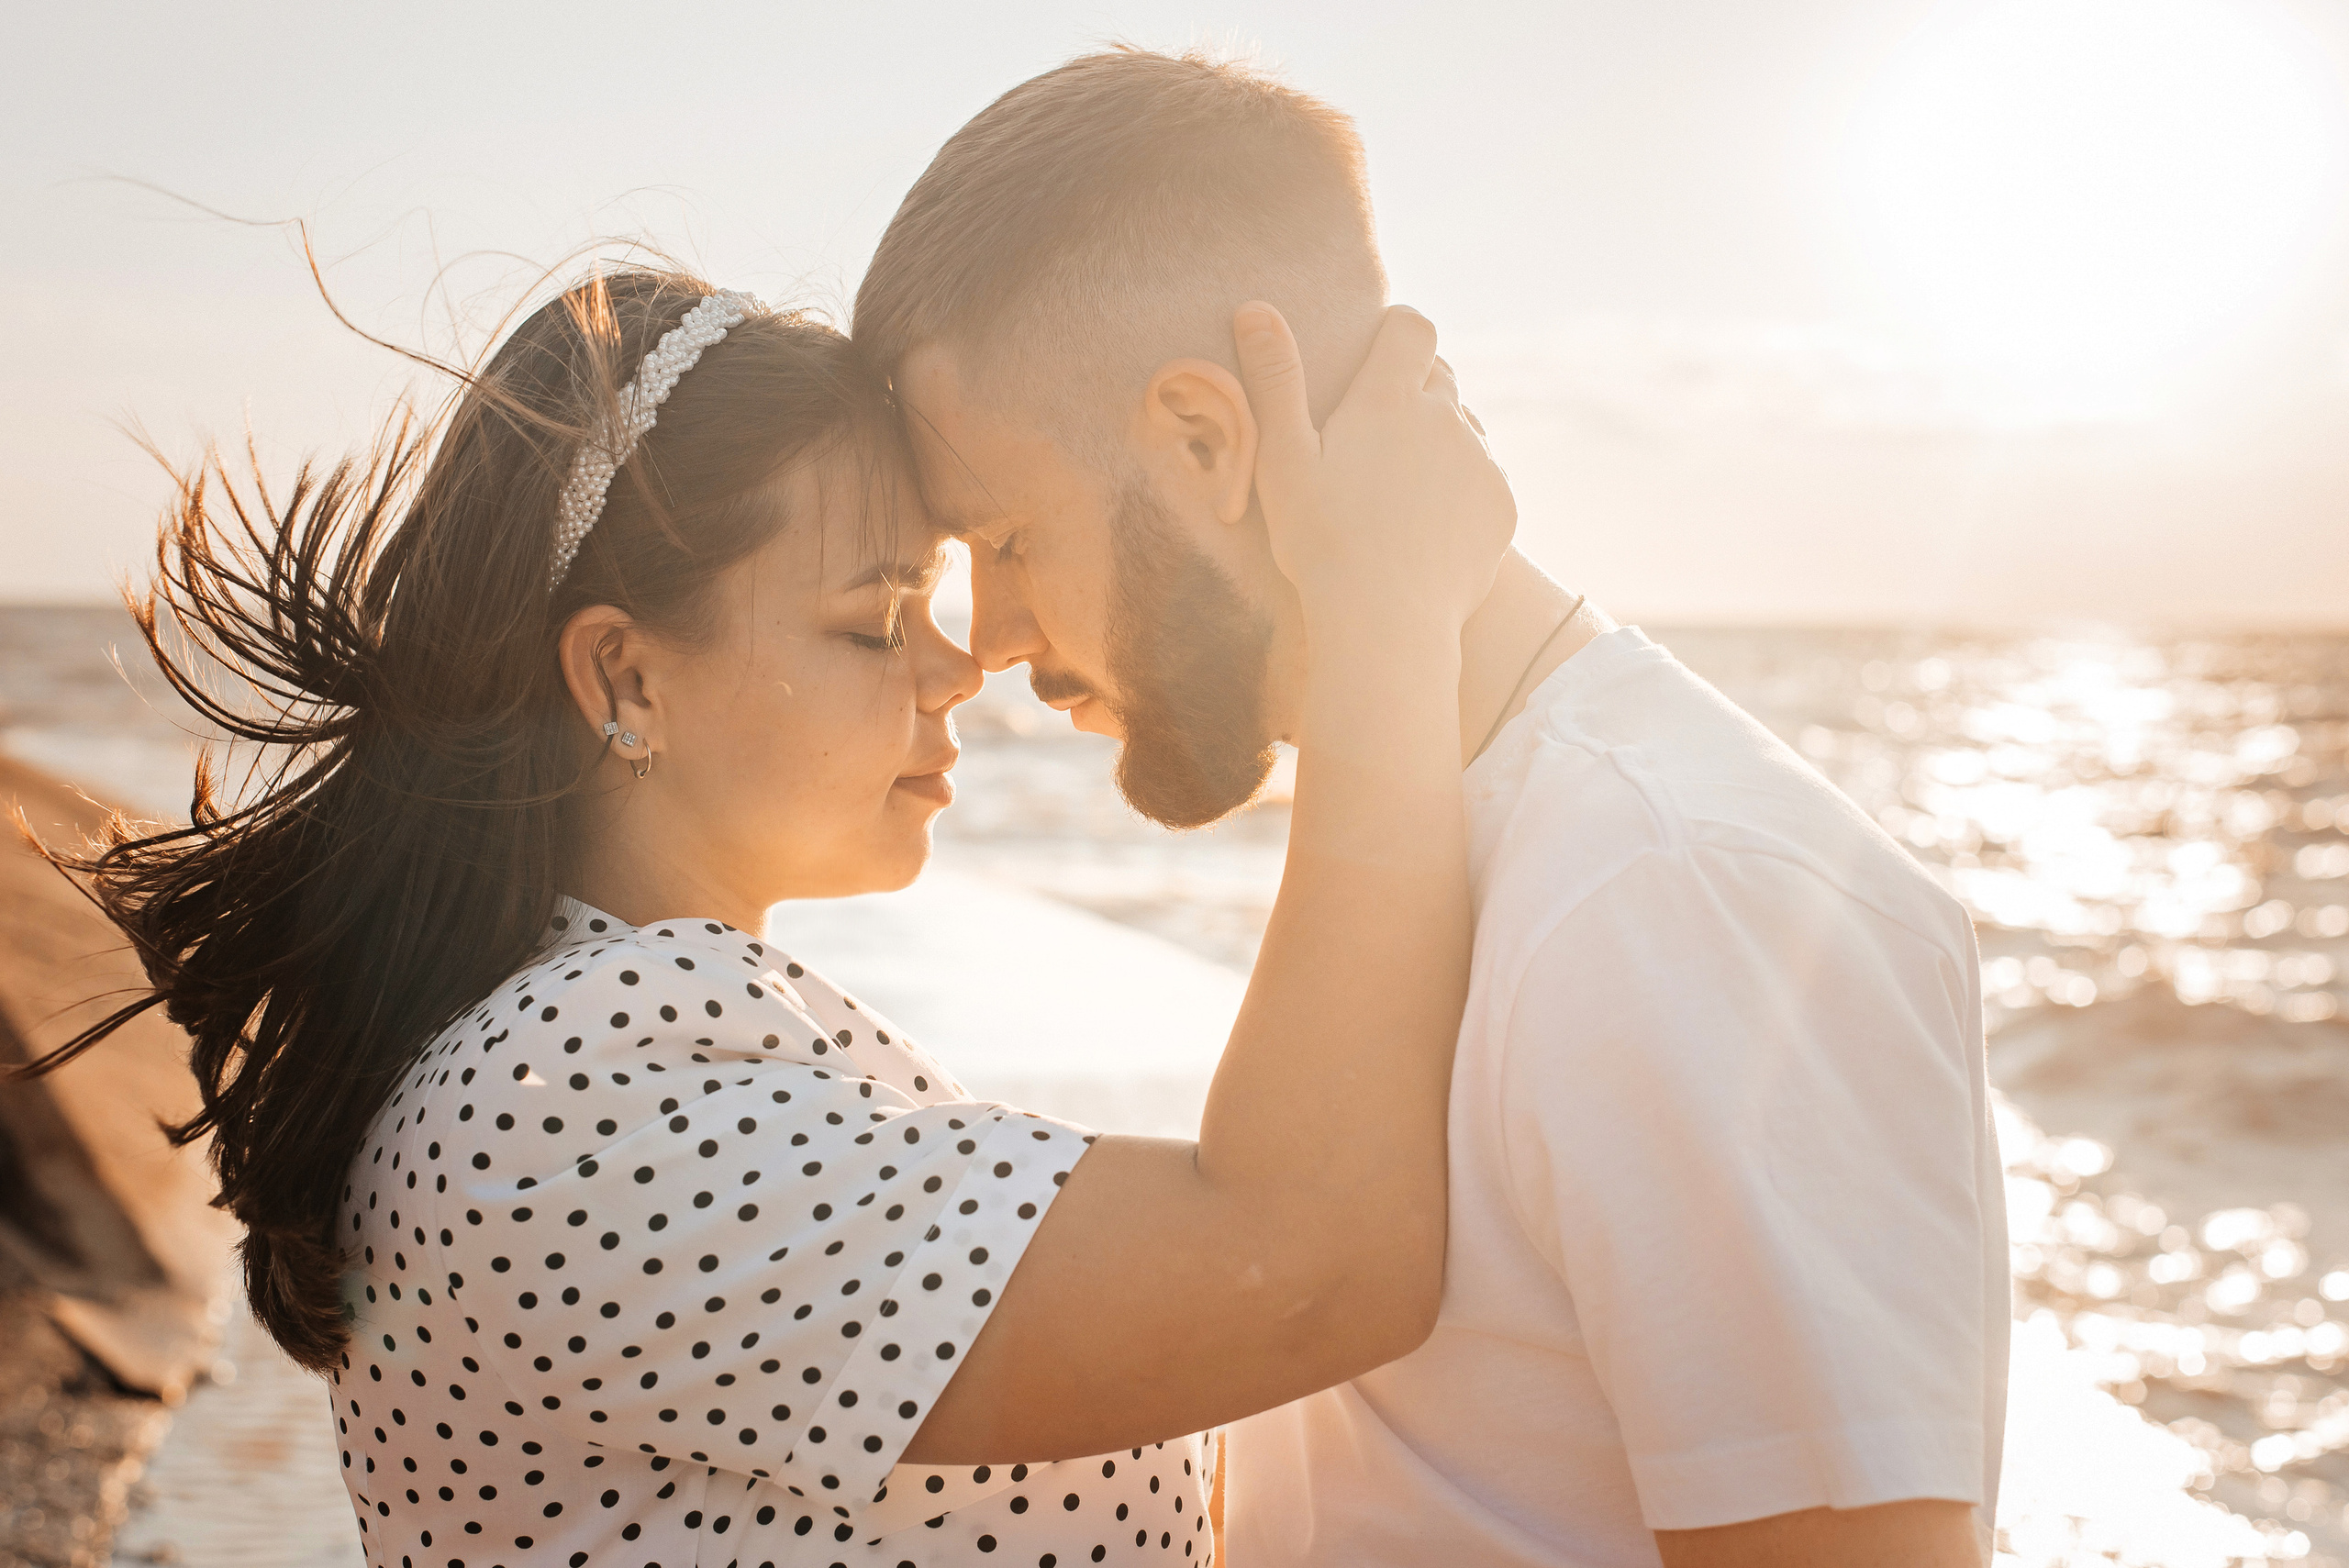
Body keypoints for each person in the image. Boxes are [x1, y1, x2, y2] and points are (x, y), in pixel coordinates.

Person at [31, 268, 1512, 1564]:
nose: (955, 669)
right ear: (626, 680)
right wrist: (1384, 606)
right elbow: (1311, 1259)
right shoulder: (568, 1103)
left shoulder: (628, 1041)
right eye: (873, 620)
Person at [853, 47, 2010, 1568]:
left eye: (1003, 537)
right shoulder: (1427, 842)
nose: (990, 632)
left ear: (1203, 443)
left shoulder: (1679, 892)